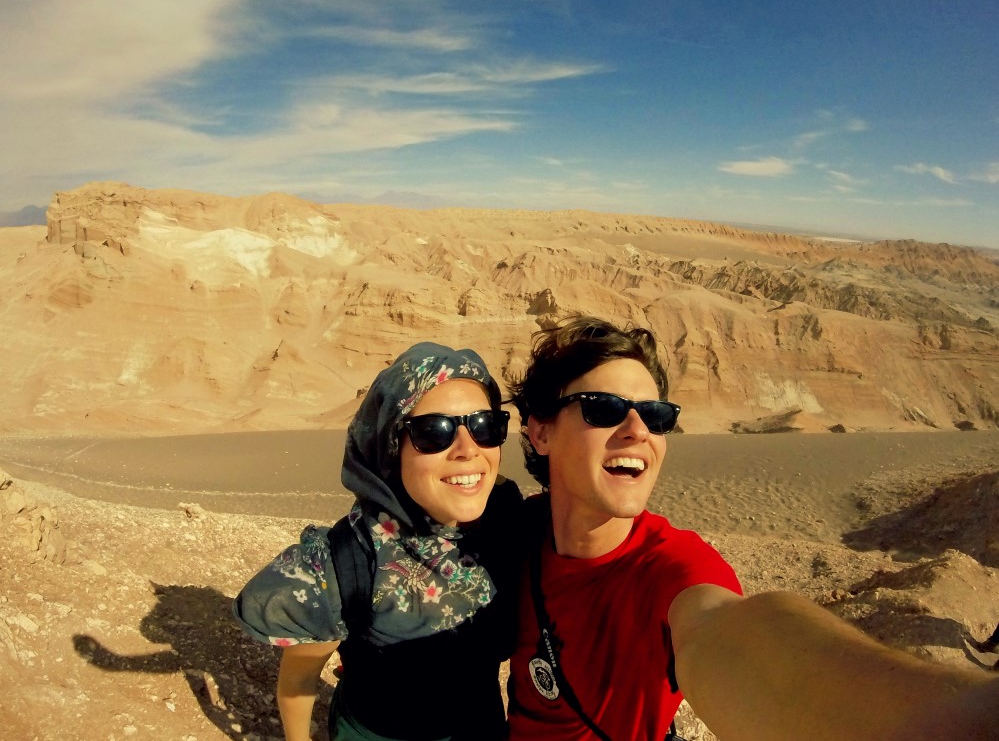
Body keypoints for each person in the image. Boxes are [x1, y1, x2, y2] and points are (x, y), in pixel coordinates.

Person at [505, 315, 999, 741]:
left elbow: (728, 633)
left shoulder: (672, 569)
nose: (638, 431)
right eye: (603, 408)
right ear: (541, 431)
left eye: (656, 416)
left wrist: (958, 719)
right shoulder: (511, 534)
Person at [233, 343, 522, 741]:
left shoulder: (509, 524)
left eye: (484, 425)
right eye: (433, 432)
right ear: (390, 447)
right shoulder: (344, 563)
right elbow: (299, 681)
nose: (468, 449)